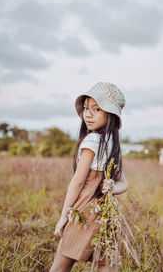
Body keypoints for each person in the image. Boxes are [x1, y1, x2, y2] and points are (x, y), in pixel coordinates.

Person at [50, 82, 128, 272]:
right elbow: (123, 184)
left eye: (97, 109)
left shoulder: (93, 140)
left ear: (110, 115)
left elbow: (77, 182)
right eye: (86, 108)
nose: (88, 114)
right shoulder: (112, 143)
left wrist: (63, 217)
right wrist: (111, 187)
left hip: (85, 210)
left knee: (60, 266)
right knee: (107, 266)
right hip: (107, 215)